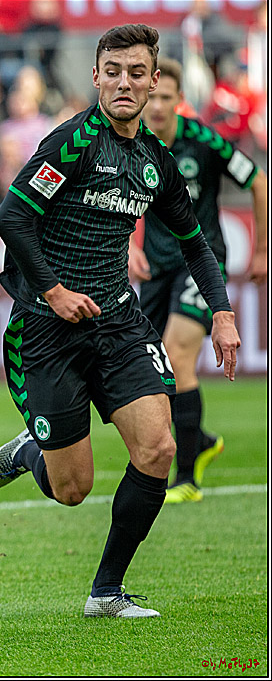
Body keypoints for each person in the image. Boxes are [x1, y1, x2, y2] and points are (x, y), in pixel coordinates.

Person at [0, 24, 240, 618]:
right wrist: (53, 290)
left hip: (119, 323)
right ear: (96, 76)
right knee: (73, 490)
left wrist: (221, 313)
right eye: (113, 71)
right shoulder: (71, 143)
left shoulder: (155, 160)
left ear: (154, 82)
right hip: (47, 329)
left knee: (157, 449)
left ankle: (106, 592)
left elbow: (196, 242)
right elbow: (11, 220)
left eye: (136, 72)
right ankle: (32, 454)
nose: (124, 82)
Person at [129, 57, 266, 504]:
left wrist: (262, 248)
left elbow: (257, 180)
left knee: (177, 351)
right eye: (154, 98)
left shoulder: (202, 140)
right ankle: (200, 440)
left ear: (179, 101)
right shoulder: (137, 142)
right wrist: (130, 244)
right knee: (150, 364)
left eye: (168, 98)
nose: (159, 107)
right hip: (155, 264)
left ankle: (186, 478)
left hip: (200, 261)